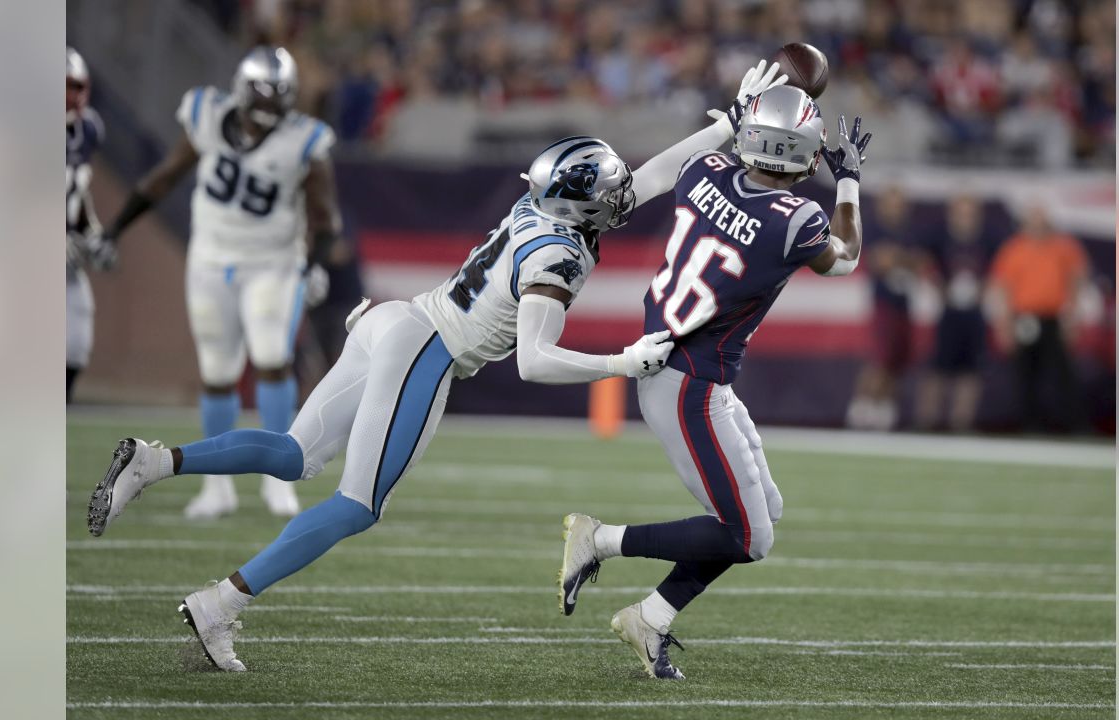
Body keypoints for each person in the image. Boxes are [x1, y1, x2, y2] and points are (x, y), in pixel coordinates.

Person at [84, 61, 792, 673]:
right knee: (356, 505)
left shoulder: (538, 206)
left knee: (296, 455)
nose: (619, 203)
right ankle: (220, 603)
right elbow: (536, 363)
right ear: (580, 202)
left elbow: (649, 177)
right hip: (428, 350)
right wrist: (622, 360)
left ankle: (156, 462)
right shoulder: (560, 258)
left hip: (397, 319)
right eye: (605, 198)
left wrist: (730, 123)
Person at [559, 84, 871, 679]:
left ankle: (650, 617)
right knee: (749, 536)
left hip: (687, 372)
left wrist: (738, 119)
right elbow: (847, 257)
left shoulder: (703, 168)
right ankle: (598, 539)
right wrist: (849, 180)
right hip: (687, 385)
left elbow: (710, 168)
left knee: (761, 514)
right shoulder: (799, 217)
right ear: (805, 154)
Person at [88, 47, 340, 519]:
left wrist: (316, 263)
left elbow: (326, 217)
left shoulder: (304, 140)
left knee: (271, 358)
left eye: (277, 99)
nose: (267, 111)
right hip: (209, 259)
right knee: (218, 372)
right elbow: (163, 178)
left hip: (273, 262)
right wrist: (116, 228)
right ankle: (216, 486)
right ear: (242, 92)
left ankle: (277, 479)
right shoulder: (206, 114)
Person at [988, 204, 1088, 432]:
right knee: (1025, 374)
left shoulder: (1064, 247)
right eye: (1034, 219)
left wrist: (1072, 317)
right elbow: (1002, 288)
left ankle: (1073, 424)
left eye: (1041, 219)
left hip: (1054, 317)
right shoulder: (1014, 249)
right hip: (1024, 318)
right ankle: (1029, 425)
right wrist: (1004, 325)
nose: (1038, 224)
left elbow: (1076, 280)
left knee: (1063, 374)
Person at [914, 194, 992, 432]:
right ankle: (926, 421)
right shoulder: (939, 237)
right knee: (938, 367)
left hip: (975, 312)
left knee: (971, 371)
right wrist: (940, 287)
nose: (965, 217)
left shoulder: (988, 239)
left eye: (969, 212)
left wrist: (983, 288)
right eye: (961, 211)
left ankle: (961, 423)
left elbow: (999, 268)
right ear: (952, 213)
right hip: (948, 311)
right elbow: (921, 260)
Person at [845, 187, 919, 431]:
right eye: (892, 203)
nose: (896, 208)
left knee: (897, 362)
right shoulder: (876, 229)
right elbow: (881, 261)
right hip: (884, 302)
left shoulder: (908, 231)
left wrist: (900, 258)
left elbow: (921, 262)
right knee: (880, 359)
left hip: (903, 303)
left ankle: (884, 411)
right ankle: (861, 410)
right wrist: (904, 259)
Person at [65, 48, 105, 403]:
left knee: (76, 343)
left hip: (67, 256)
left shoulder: (88, 128)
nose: (70, 96)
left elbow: (78, 191)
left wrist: (93, 232)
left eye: (74, 86)